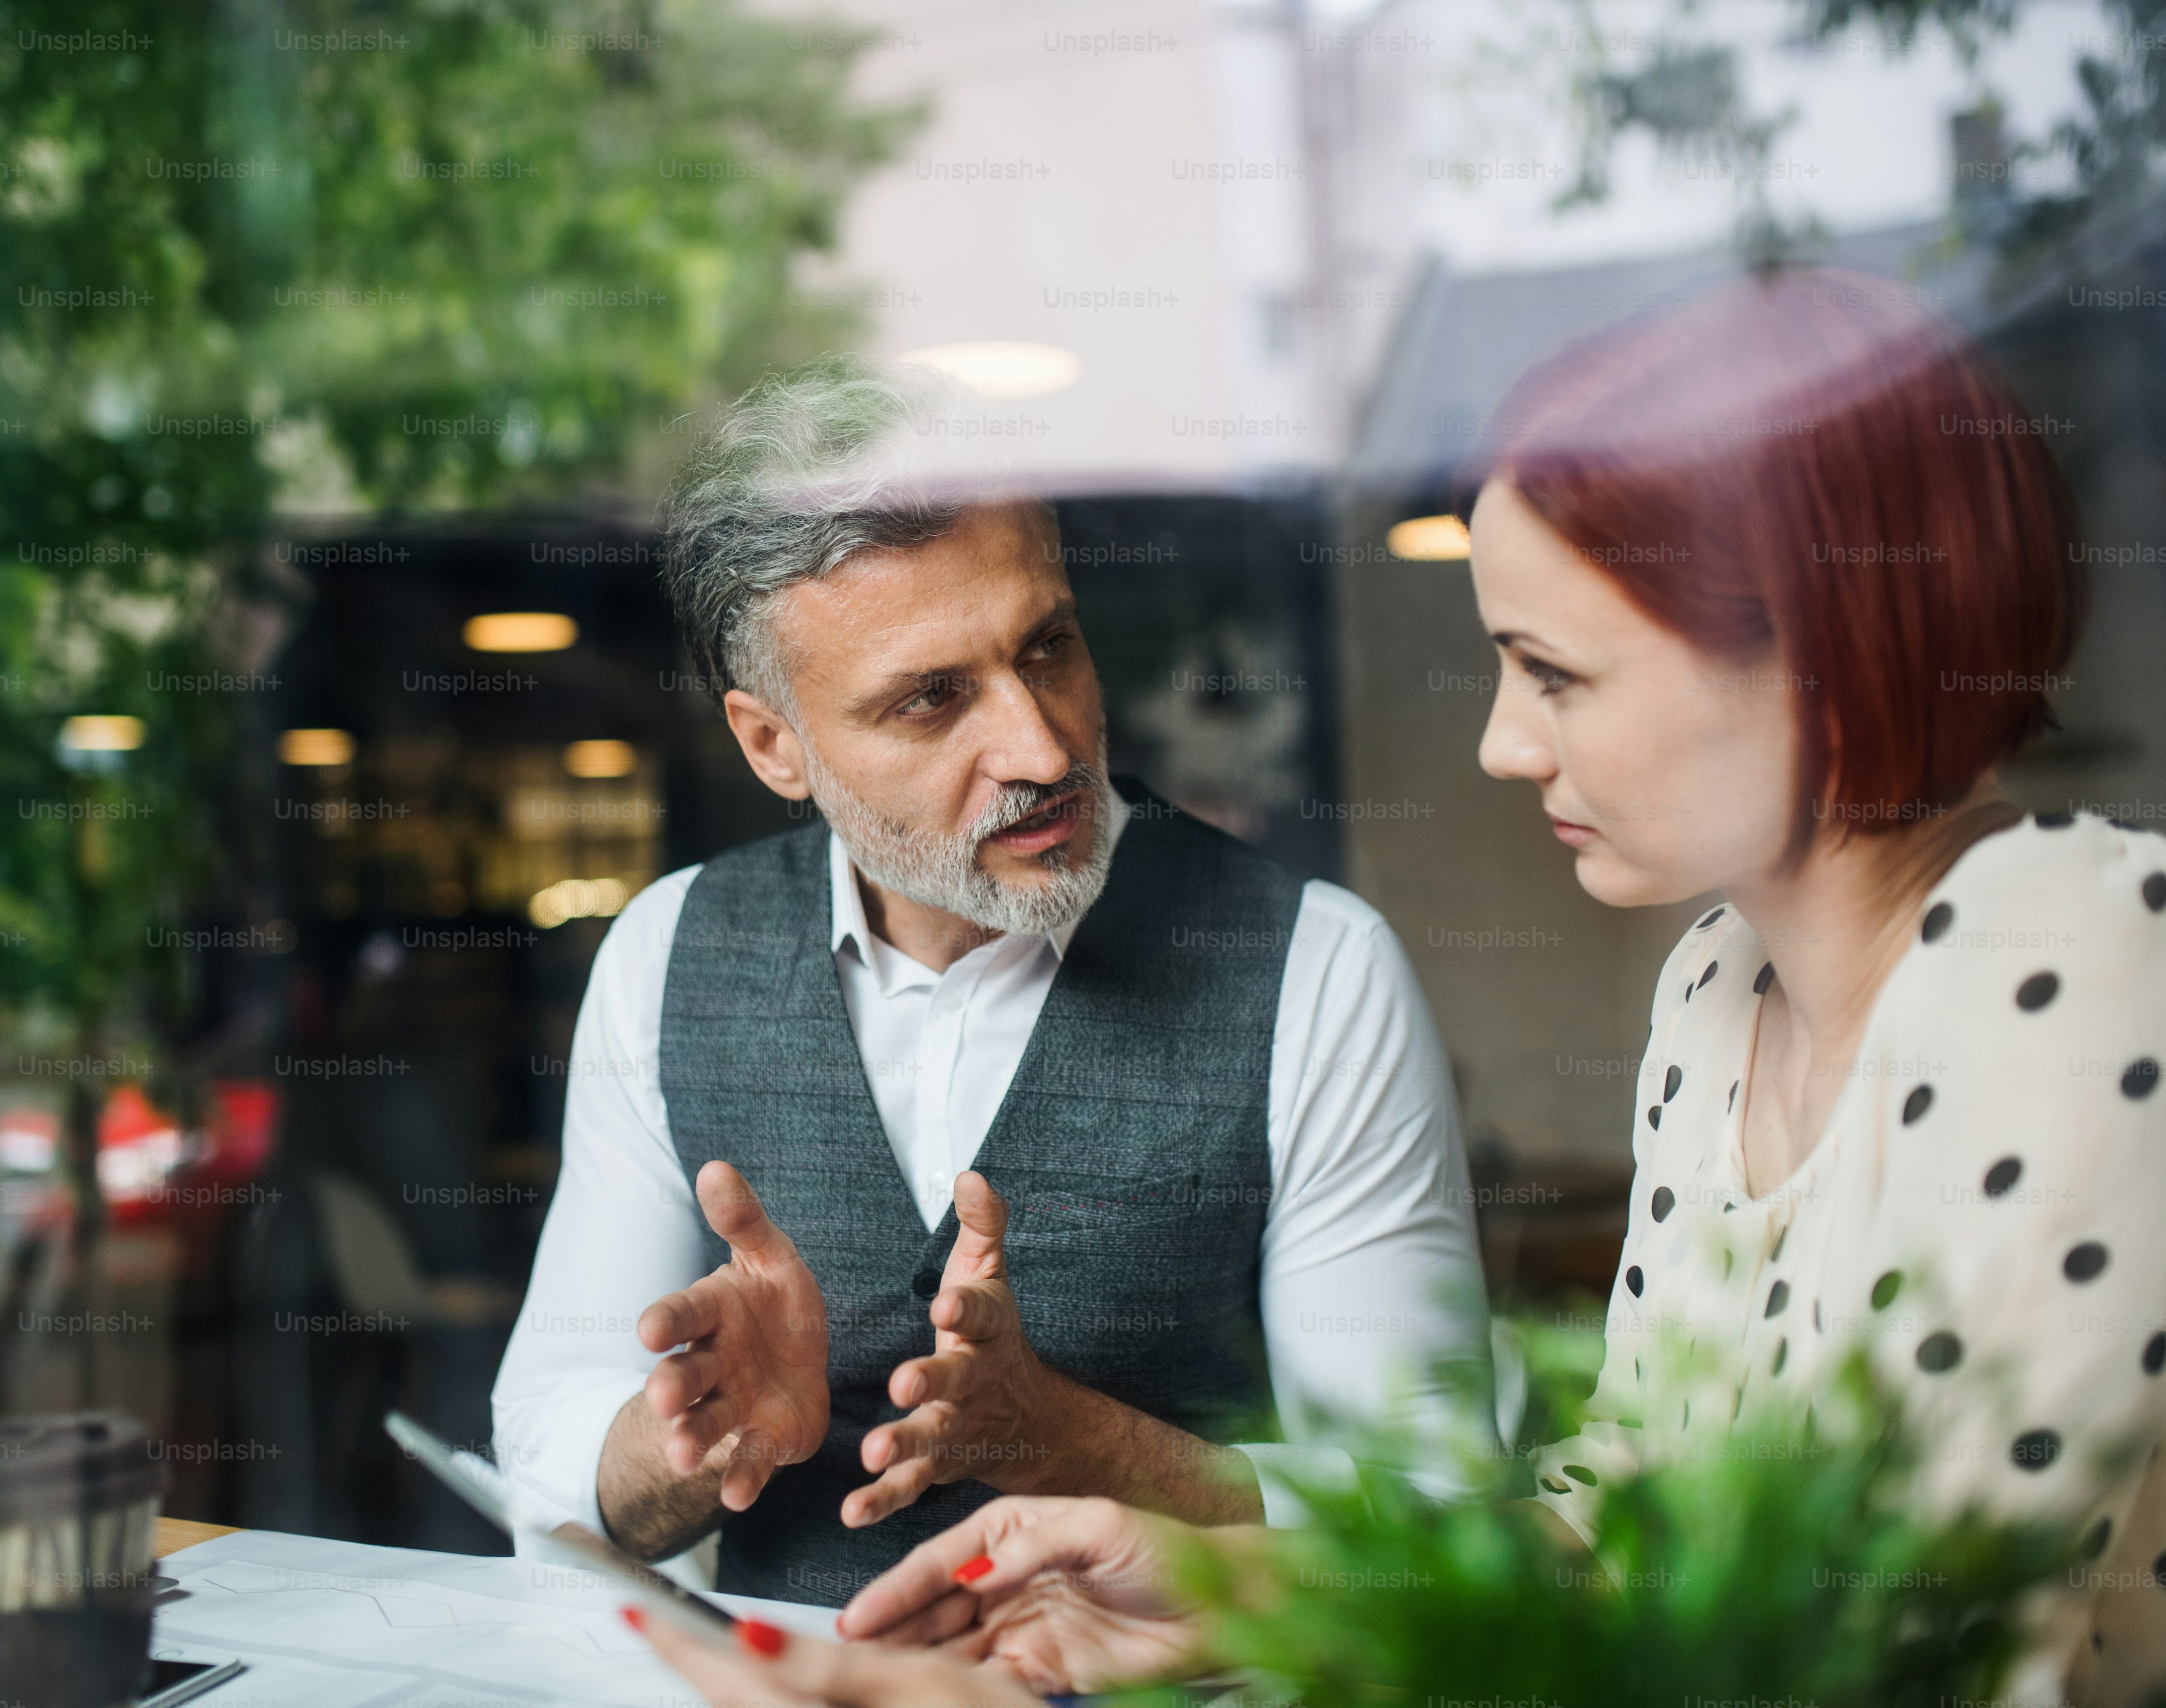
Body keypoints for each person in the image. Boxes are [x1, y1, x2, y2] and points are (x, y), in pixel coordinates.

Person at [628, 270, 2166, 1705]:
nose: (1501, 742)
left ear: (1820, 654)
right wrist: (1215, 1591)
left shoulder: (2082, 936)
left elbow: (1906, 1654)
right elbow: (1610, 1543)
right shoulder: (1719, 991)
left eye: (1555, 672)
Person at [491, 355, 1494, 1608]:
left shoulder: (1316, 972)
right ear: (772, 745)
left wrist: (1082, 1444)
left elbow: (1437, 1522)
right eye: (930, 701)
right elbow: (546, 1451)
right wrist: (689, 1441)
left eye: (1049, 647)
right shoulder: (668, 955)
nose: (1043, 745)